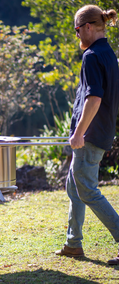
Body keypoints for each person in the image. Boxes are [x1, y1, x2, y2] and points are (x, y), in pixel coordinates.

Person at [55, 5, 119, 264]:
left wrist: (79, 133)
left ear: (89, 27)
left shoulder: (92, 56)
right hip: (100, 133)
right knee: (75, 187)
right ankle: (73, 244)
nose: (77, 35)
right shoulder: (109, 55)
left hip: (90, 136)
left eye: (77, 30)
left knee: (88, 191)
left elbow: (94, 99)